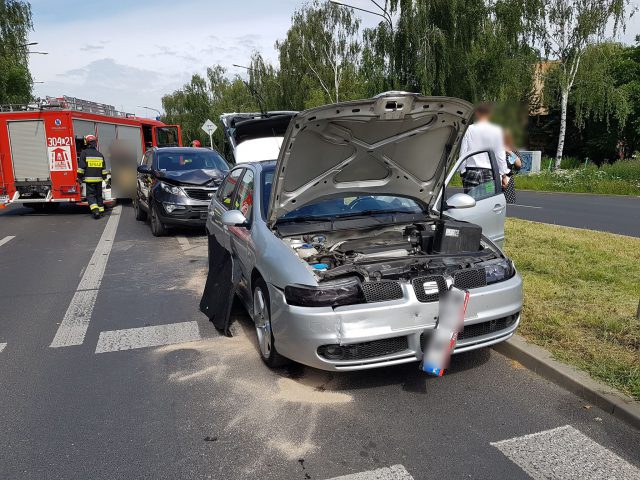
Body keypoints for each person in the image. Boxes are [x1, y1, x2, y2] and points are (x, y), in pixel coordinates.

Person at [458, 102, 510, 195]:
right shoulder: (497, 131)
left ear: (477, 113)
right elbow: (500, 155)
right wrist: (503, 174)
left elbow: (463, 153)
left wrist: (462, 172)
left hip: (471, 173)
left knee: (470, 203)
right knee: (487, 203)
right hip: (489, 174)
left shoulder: (468, 129)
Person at [77, 135, 109, 219]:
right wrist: (105, 179)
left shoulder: (84, 153)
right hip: (99, 180)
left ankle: (95, 211)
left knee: (90, 196)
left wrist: (79, 177)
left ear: (86, 143)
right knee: (99, 196)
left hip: (89, 180)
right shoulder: (100, 154)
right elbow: (104, 169)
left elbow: (81, 168)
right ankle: (101, 211)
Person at [503, 129, 522, 204]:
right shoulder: (493, 148)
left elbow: (519, 164)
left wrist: (509, 151)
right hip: (492, 178)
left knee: (506, 203)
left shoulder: (512, 149)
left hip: (507, 179)